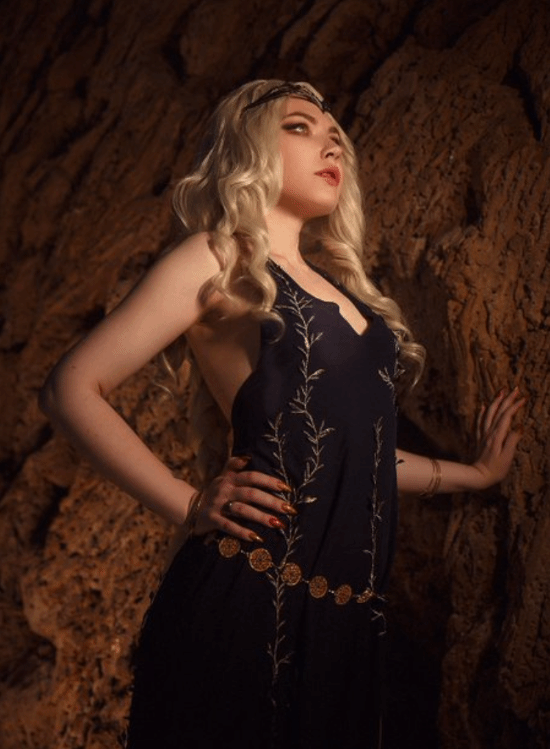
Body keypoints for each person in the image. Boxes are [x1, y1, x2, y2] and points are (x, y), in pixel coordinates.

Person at [39, 80, 524, 749]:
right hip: (246, 605)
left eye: (335, 134)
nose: (331, 143)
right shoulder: (219, 257)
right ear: (249, 147)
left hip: (349, 633)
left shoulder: (348, 292)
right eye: (299, 126)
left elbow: (357, 454)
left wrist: (474, 474)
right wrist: (188, 503)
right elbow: (71, 387)